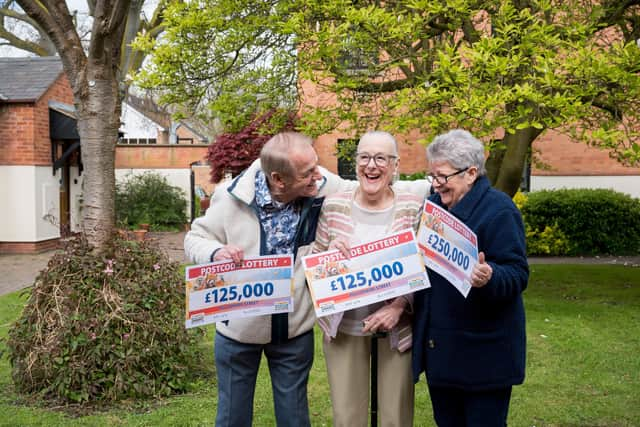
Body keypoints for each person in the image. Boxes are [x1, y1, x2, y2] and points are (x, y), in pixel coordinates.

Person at [184, 132, 352, 427]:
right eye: (308, 173)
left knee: (294, 419)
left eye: (316, 167)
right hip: (238, 333)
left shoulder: (321, 184)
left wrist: (432, 183)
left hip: (293, 333)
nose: (318, 177)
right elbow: (195, 238)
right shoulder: (229, 197)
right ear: (278, 179)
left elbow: (364, 190)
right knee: (232, 419)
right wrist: (215, 252)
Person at [412, 129, 529, 426]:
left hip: (484, 357)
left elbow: (517, 274)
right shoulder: (435, 206)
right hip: (442, 351)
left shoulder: (500, 210)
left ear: (471, 173)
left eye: (442, 176)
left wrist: (489, 276)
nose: (436, 185)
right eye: (432, 176)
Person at [312, 131, 423, 427]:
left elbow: (422, 266)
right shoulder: (333, 205)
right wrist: (327, 257)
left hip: (396, 327)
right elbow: (310, 259)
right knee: (348, 417)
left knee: (395, 417)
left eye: (381, 158)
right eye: (364, 157)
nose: (371, 165)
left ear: (395, 166)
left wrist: (400, 306)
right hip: (345, 325)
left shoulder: (411, 206)